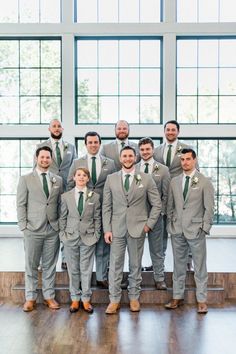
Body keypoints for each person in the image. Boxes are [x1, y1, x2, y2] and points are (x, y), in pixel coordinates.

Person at [103, 146, 162, 314]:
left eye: (130, 155)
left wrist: (148, 225)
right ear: (120, 159)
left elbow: (157, 204)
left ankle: (134, 297)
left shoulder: (146, 178)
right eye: (125, 156)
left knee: (135, 265)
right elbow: (106, 206)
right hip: (116, 229)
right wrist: (107, 229)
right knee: (115, 266)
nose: (128, 158)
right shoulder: (111, 179)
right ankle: (114, 300)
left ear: (135, 157)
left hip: (138, 228)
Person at [165, 148, 214, 314]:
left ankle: (202, 300)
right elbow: (170, 205)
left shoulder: (204, 181)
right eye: (182, 159)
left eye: (188, 159)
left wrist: (204, 228)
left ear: (194, 160)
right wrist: (171, 224)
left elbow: (209, 208)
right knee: (178, 266)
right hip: (177, 230)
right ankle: (177, 297)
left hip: (196, 230)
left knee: (199, 267)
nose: (185, 162)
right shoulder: (174, 181)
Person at [17, 146, 63, 312]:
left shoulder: (58, 180)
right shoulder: (26, 179)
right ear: (36, 158)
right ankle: (30, 297)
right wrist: (24, 226)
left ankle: (49, 296)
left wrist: (60, 225)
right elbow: (21, 204)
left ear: (51, 160)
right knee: (31, 265)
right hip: (32, 228)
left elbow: (59, 203)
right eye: (42, 157)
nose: (45, 160)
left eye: (47, 157)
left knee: (50, 265)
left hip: (53, 229)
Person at [67, 131, 116, 288]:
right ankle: (82, 279)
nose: (93, 145)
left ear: (100, 144)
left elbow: (115, 185)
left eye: (96, 142)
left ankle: (102, 276)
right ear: (85, 144)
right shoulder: (76, 162)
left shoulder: (110, 163)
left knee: (103, 244)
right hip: (83, 210)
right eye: (90, 142)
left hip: (105, 207)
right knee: (83, 245)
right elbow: (69, 183)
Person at [154, 120, 196, 270]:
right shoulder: (157, 150)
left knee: (183, 228)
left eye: (173, 130)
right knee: (161, 231)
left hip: (181, 194)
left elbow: (195, 171)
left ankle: (187, 263)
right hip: (162, 196)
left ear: (178, 132)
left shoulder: (186, 149)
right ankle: (159, 264)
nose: (170, 132)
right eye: (168, 130)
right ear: (164, 132)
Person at [36, 119, 77, 270]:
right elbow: (37, 171)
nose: (57, 128)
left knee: (66, 223)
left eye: (59, 126)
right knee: (46, 224)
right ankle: (42, 260)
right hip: (49, 193)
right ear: (49, 129)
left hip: (66, 191)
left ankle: (66, 258)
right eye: (54, 126)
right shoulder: (41, 147)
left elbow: (75, 168)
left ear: (62, 128)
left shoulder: (71, 147)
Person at [59, 168, 101, 314]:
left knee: (86, 269)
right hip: (70, 237)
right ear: (74, 177)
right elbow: (63, 217)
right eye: (79, 175)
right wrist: (63, 235)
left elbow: (97, 218)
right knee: (73, 269)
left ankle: (86, 299)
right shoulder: (66, 196)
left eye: (84, 175)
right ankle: (75, 298)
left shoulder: (94, 197)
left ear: (88, 179)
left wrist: (96, 235)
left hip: (88, 238)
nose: (81, 177)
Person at [136, 137, 170, 290]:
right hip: (136, 217)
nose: (145, 152)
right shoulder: (134, 168)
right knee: (135, 250)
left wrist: (159, 213)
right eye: (142, 149)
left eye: (147, 149)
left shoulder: (163, 169)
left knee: (157, 249)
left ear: (153, 149)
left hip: (156, 216)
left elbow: (166, 195)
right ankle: (134, 279)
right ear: (139, 150)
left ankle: (159, 278)